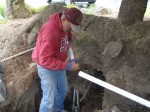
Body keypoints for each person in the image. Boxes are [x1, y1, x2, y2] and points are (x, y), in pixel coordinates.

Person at [32, 8, 83, 112]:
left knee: (62, 90)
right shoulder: (49, 32)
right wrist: (69, 66)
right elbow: (45, 60)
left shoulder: (64, 27)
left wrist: (69, 40)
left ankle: (57, 109)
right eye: (71, 26)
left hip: (58, 64)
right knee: (49, 98)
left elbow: (67, 33)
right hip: (46, 67)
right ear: (64, 19)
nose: (71, 29)